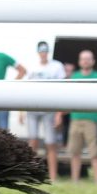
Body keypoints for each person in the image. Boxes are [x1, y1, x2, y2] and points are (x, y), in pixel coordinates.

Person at [57, 50, 97, 184]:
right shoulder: (74, 76)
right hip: (76, 119)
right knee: (74, 152)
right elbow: (68, 98)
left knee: (95, 153)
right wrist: (59, 115)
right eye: (83, 59)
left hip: (93, 120)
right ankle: (75, 181)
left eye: (88, 59)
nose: (85, 61)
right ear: (79, 61)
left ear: (93, 61)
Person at [19, 41, 65, 182]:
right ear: (38, 52)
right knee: (32, 141)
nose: (43, 54)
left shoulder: (57, 66)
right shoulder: (32, 66)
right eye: (41, 51)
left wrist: (59, 113)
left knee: (51, 143)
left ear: (48, 52)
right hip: (33, 108)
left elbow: (63, 90)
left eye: (45, 51)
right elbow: (24, 89)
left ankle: (53, 176)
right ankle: (31, 174)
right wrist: (21, 110)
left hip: (49, 108)